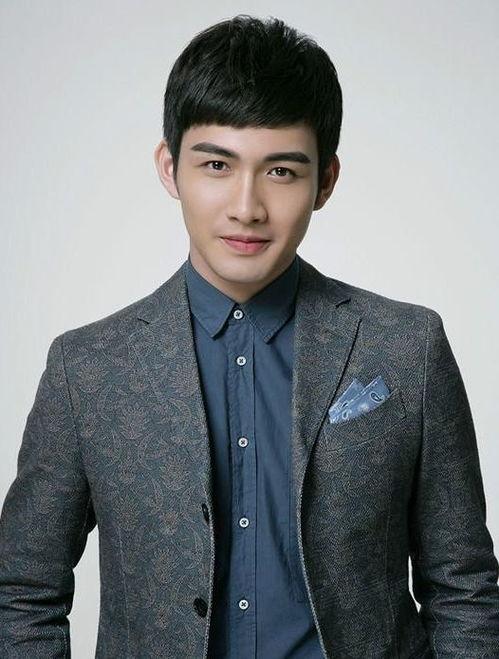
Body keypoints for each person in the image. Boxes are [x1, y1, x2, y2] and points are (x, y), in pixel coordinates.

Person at [0, 13, 498, 659]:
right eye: (216, 164)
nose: (246, 207)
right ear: (170, 167)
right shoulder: (88, 367)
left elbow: (463, 587)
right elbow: (22, 590)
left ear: (325, 181)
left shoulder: (407, 346)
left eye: (281, 171)